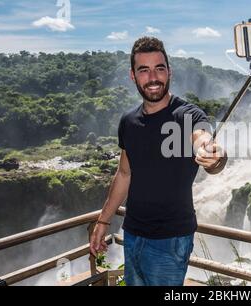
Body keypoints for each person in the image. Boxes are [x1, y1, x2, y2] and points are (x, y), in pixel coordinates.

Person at [89, 36, 227, 286]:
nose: (153, 77)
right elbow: (124, 174)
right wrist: (103, 220)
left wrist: (213, 154)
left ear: (169, 72)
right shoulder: (128, 122)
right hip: (132, 233)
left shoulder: (186, 114)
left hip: (170, 240)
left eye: (159, 68)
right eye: (144, 70)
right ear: (133, 76)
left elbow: (203, 138)